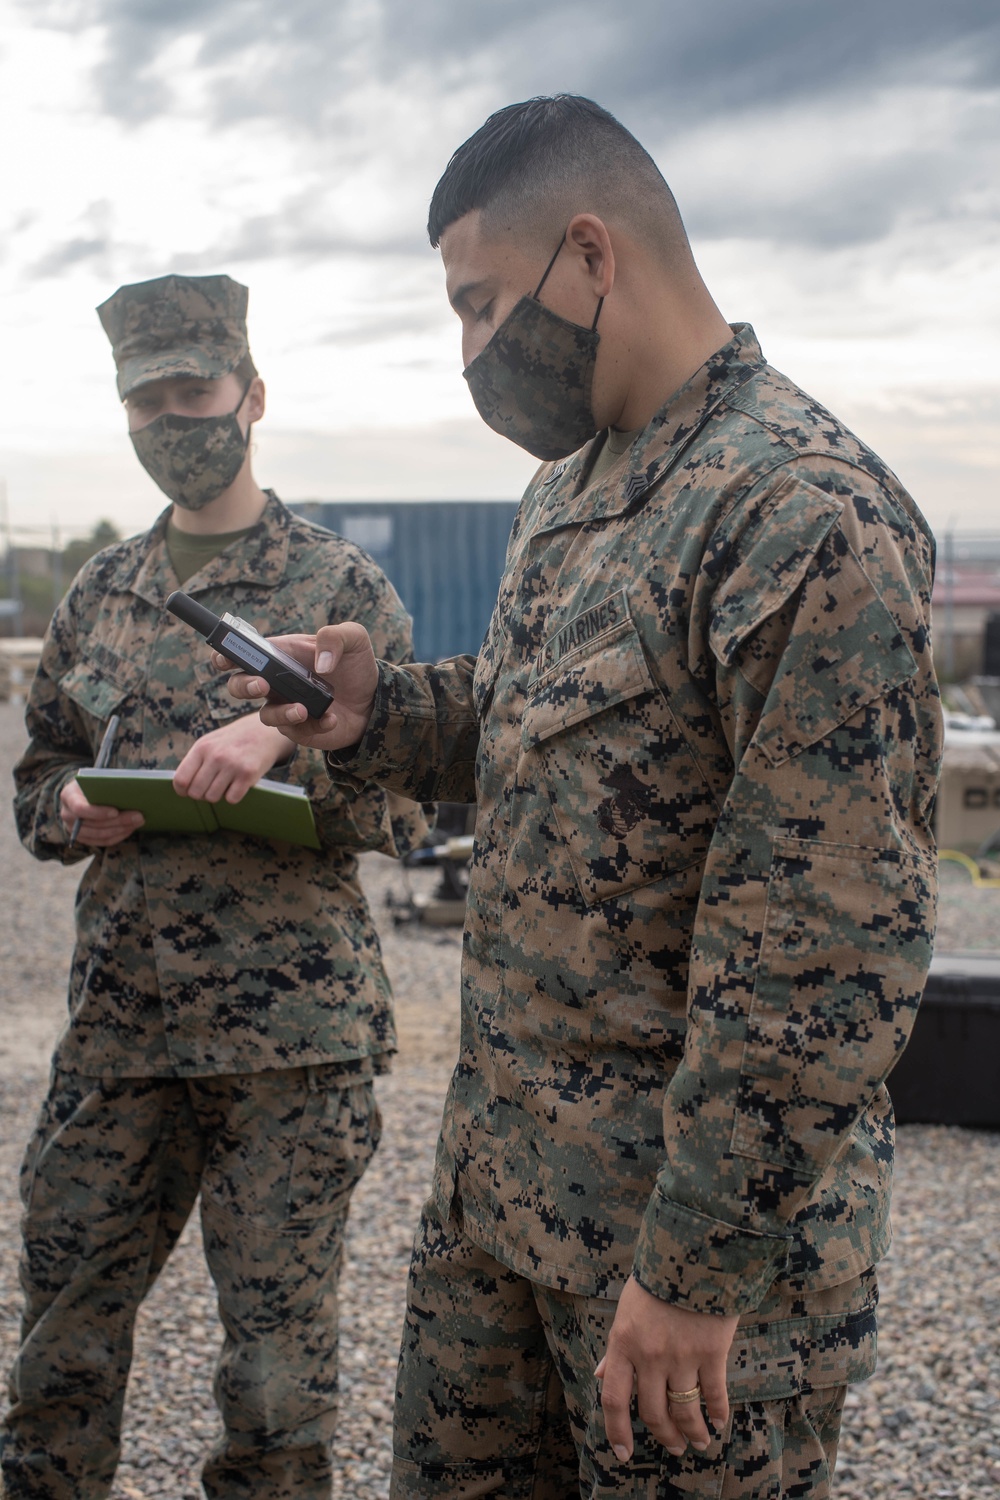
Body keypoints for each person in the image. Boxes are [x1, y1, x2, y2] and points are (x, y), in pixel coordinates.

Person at [223, 97, 943, 1499]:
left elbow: (824, 944)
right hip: (501, 1203)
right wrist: (381, 712)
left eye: (481, 303)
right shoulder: (569, 490)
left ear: (593, 256)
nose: (473, 350)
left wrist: (695, 1267)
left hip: (677, 1268)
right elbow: (536, 727)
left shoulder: (801, 514)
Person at [2, 273, 428, 1500]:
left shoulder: (340, 594)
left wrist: (292, 744)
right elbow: (38, 783)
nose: (172, 422)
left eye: (193, 391)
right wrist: (71, 814)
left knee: (276, 1384)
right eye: (147, 404)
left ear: (250, 395)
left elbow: (406, 805)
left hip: (290, 1047)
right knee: (59, 1354)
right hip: (121, 1033)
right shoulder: (98, 596)